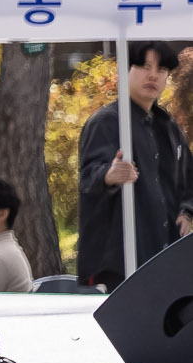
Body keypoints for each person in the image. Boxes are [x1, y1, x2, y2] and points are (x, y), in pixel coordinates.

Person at [77, 40, 193, 290]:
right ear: (124, 71)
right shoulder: (107, 122)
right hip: (118, 262)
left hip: (163, 255)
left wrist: (186, 211)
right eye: (143, 66)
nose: (153, 75)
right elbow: (89, 176)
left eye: (161, 69)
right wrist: (109, 174)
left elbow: (188, 180)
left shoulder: (168, 127)